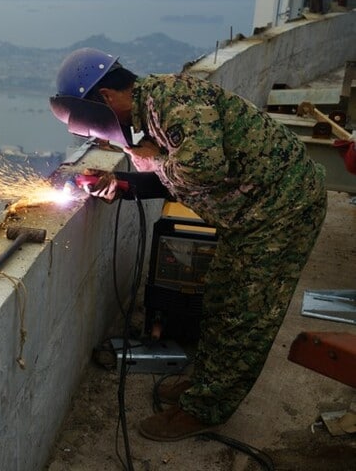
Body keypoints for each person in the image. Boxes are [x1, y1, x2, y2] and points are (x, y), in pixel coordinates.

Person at [49, 47, 328, 441]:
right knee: (217, 299)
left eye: (95, 126)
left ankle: (207, 409)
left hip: (283, 209)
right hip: (252, 211)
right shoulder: (156, 108)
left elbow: (202, 170)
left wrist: (152, 162)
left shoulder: (172, 103)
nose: (101, 136)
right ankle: (207, 384)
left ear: (106, 100)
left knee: (245, 314)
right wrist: (124, 185)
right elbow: (178, 173)